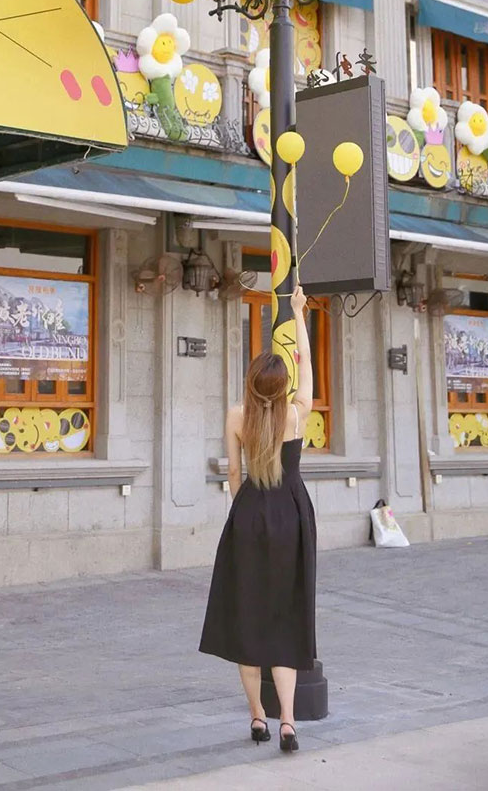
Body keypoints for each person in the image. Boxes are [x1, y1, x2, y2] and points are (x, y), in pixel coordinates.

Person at [199, 285, 316, 755]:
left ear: (250, 383)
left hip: (249, 514)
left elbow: (232, 473)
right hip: (291, 515)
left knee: (247, 614)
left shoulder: (235, 417)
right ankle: (288, 721)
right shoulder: (297, 416)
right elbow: (306, 366)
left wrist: (243, 510)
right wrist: (298, 314)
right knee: (285, 616)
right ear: (282, 386)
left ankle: (257, 717)